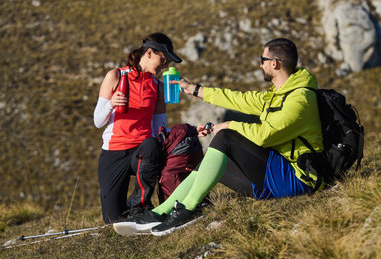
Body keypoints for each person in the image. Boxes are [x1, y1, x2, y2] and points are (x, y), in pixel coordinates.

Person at [113, 37, 324, 235]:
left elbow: (265, 136)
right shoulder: (277, 95)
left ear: (275, 64)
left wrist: (229, 125)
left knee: (226, 138)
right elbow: (236, 99)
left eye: (263, 60)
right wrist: (194, 89)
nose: (261, 65)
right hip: (276, 174)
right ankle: (162, 212)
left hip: (298, 179)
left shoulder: (300, 99)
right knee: (211, 162)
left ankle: (189, 208)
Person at [93, 32, 186, 223]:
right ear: (150, 53)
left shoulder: (158, 87)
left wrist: (191, 131)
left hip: (142, 152)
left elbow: (159, 129)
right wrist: (111, 104)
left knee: (152, 144)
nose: (166, 65)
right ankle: (129, 209)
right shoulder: (115, 76)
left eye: (168, 61)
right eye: (164, 59)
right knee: (113, 220)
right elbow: (97, 121)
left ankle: (140, 205)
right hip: (114, 152)